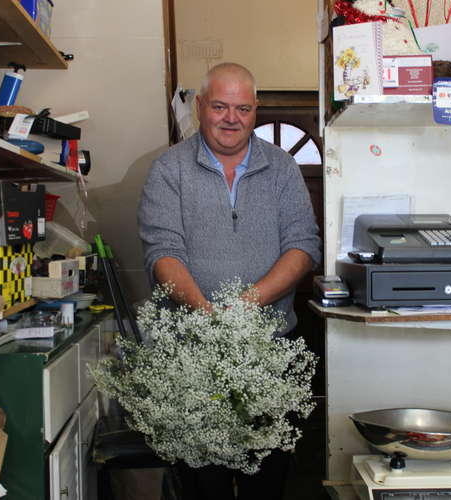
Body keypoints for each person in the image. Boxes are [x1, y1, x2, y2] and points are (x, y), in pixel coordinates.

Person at [137, 62, 321, 500]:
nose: (231, 118)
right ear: (200, 107)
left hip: (271, 354)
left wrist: (247, 304)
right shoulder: (168, 171)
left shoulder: (283, 168)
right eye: (220, 106)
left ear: (255, 110)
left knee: (268, 479)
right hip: (191, 358)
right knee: (203, 485)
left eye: (242, 108)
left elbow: (303, 245)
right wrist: (208, 315)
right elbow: (162, 252)